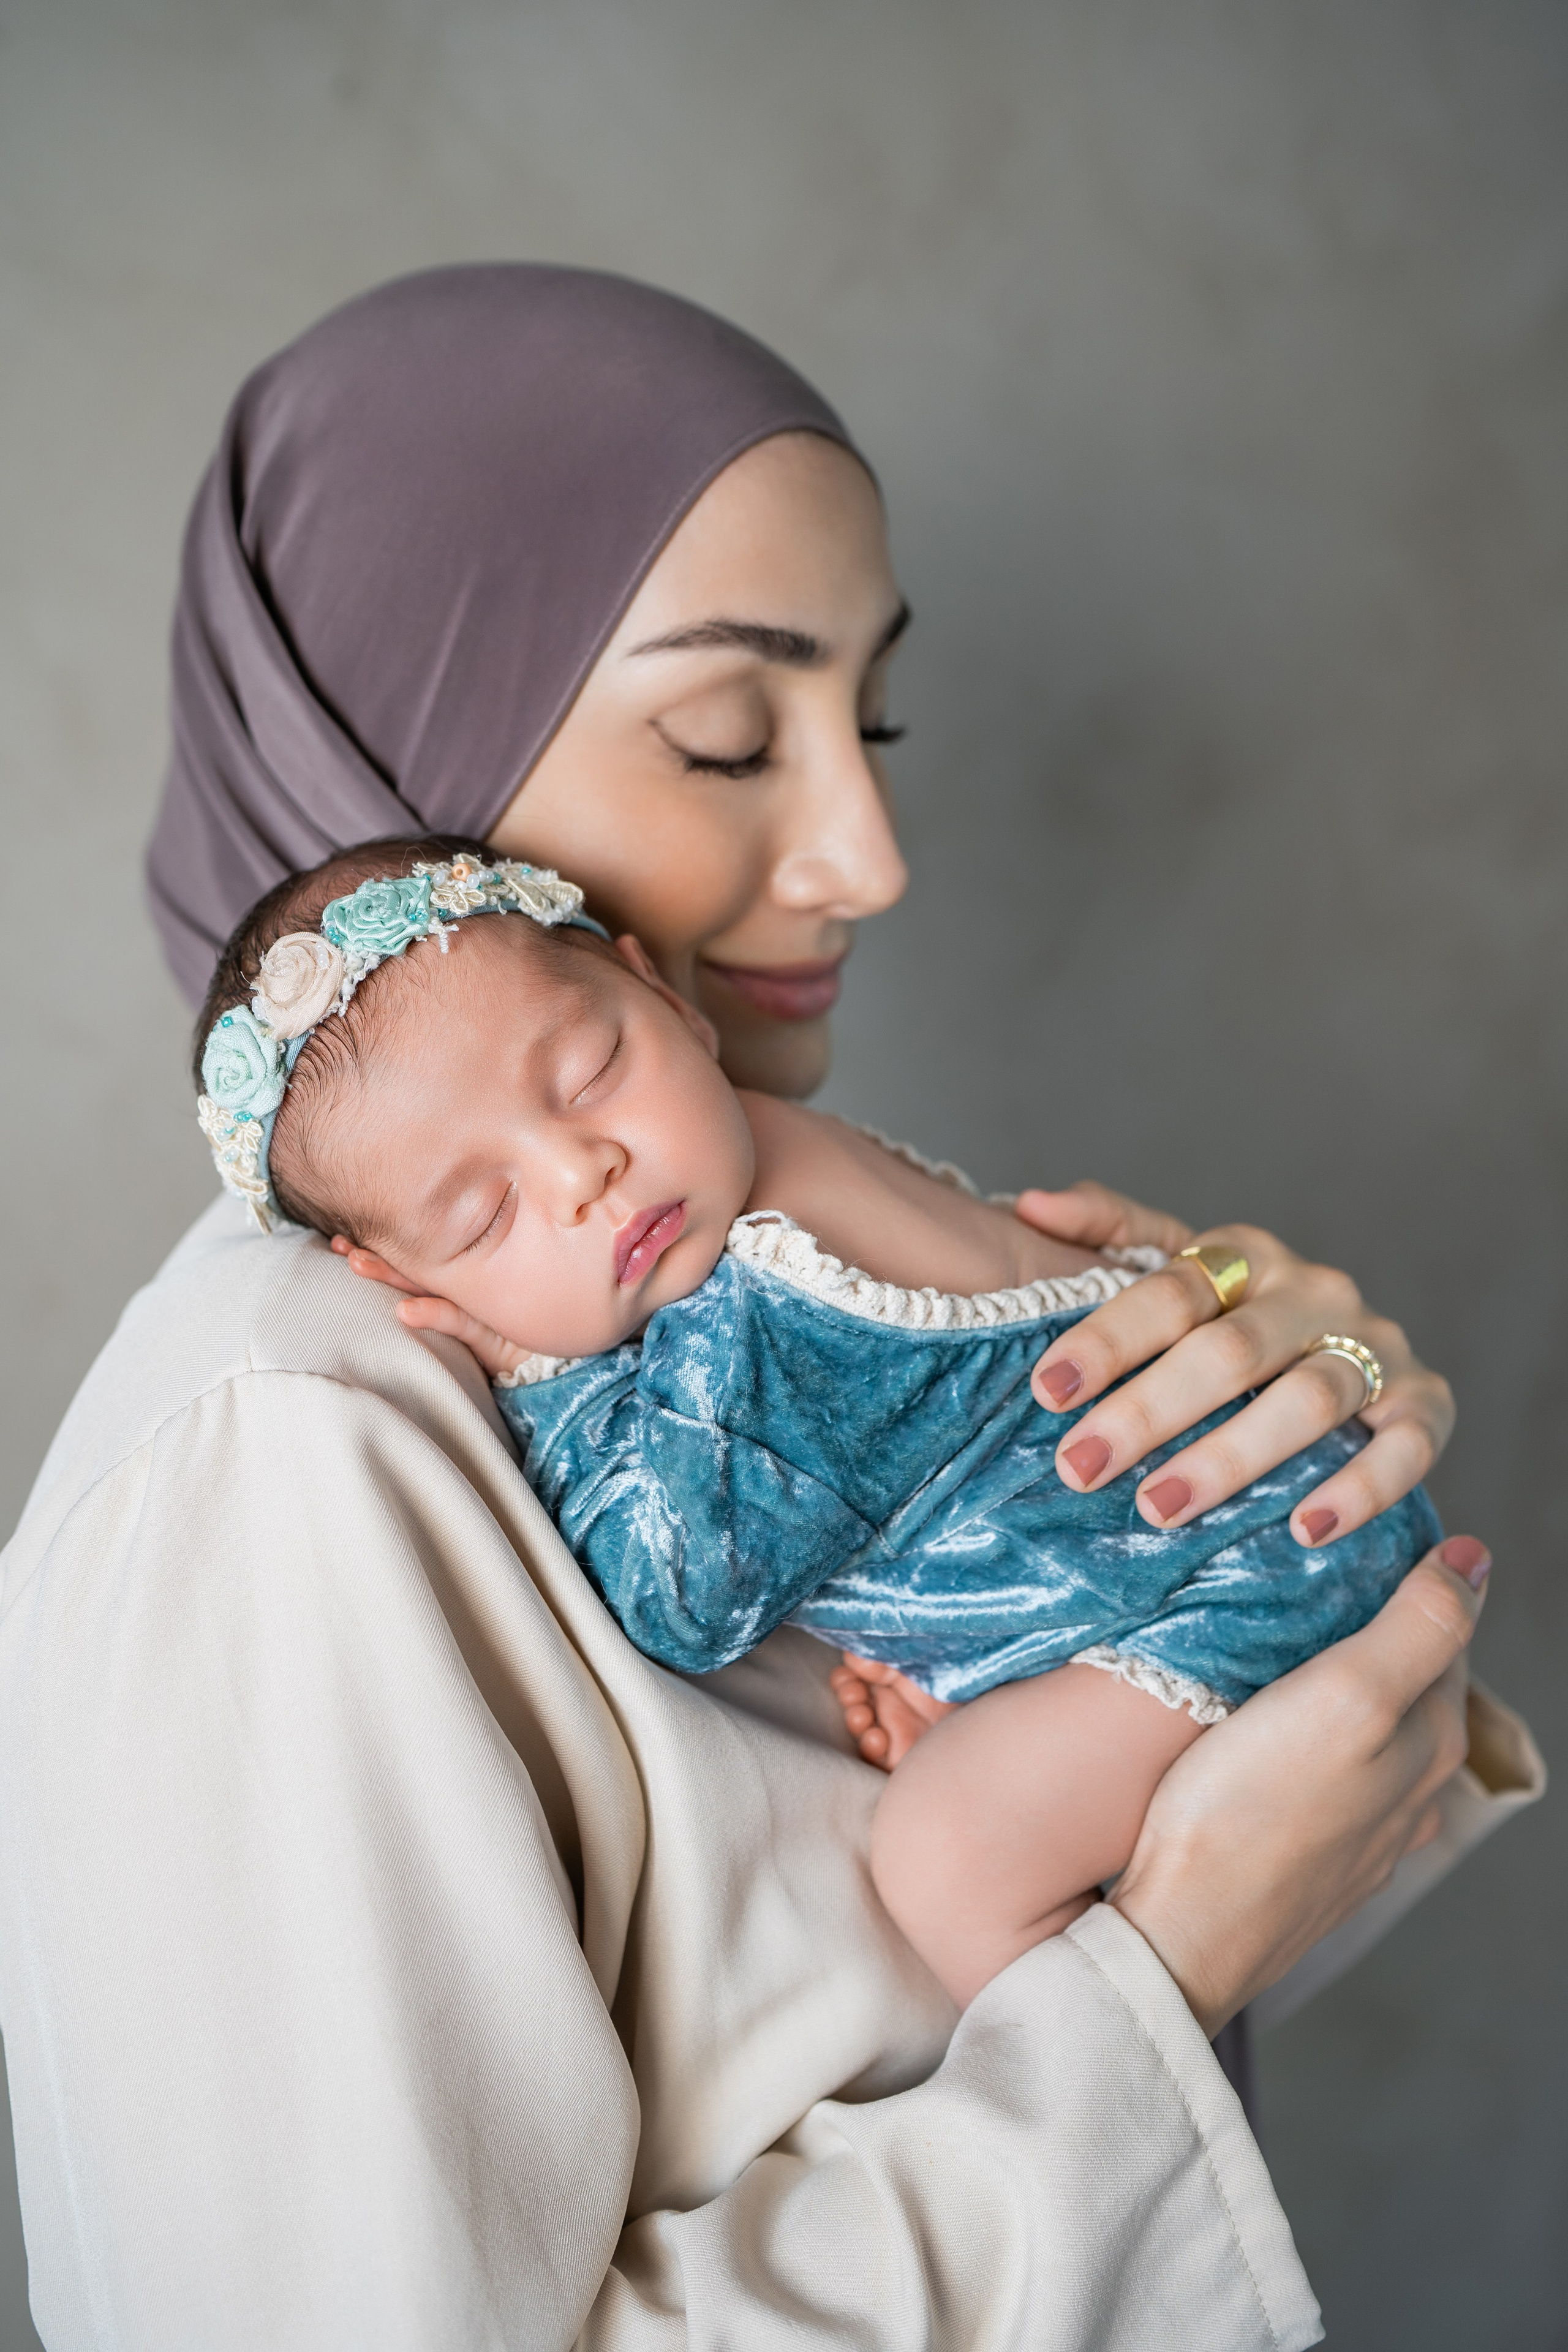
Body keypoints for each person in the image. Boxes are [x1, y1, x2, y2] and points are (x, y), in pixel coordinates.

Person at [0, 266, 1537, 2349]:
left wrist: (1266, 1455)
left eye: (869, 717)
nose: (871, 850)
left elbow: (938, 1996)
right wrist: (1152, 1972)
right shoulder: (279, 1448)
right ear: (394, 761)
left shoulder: (742, 1268)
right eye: (729, 735)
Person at [192, 834, 1449, 2014]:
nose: (581, 1174)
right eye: (480, 1218)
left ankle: (1129, 2070)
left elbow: (681, 1599)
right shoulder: (763, 1154)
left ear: (667, 1001)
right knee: (985, 1784)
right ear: (398, 1276)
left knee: (946, 1855)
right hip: (1272, 1505)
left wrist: (533, 1368)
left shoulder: (758, 1316)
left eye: (590, 1074)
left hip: (1247, 1570)